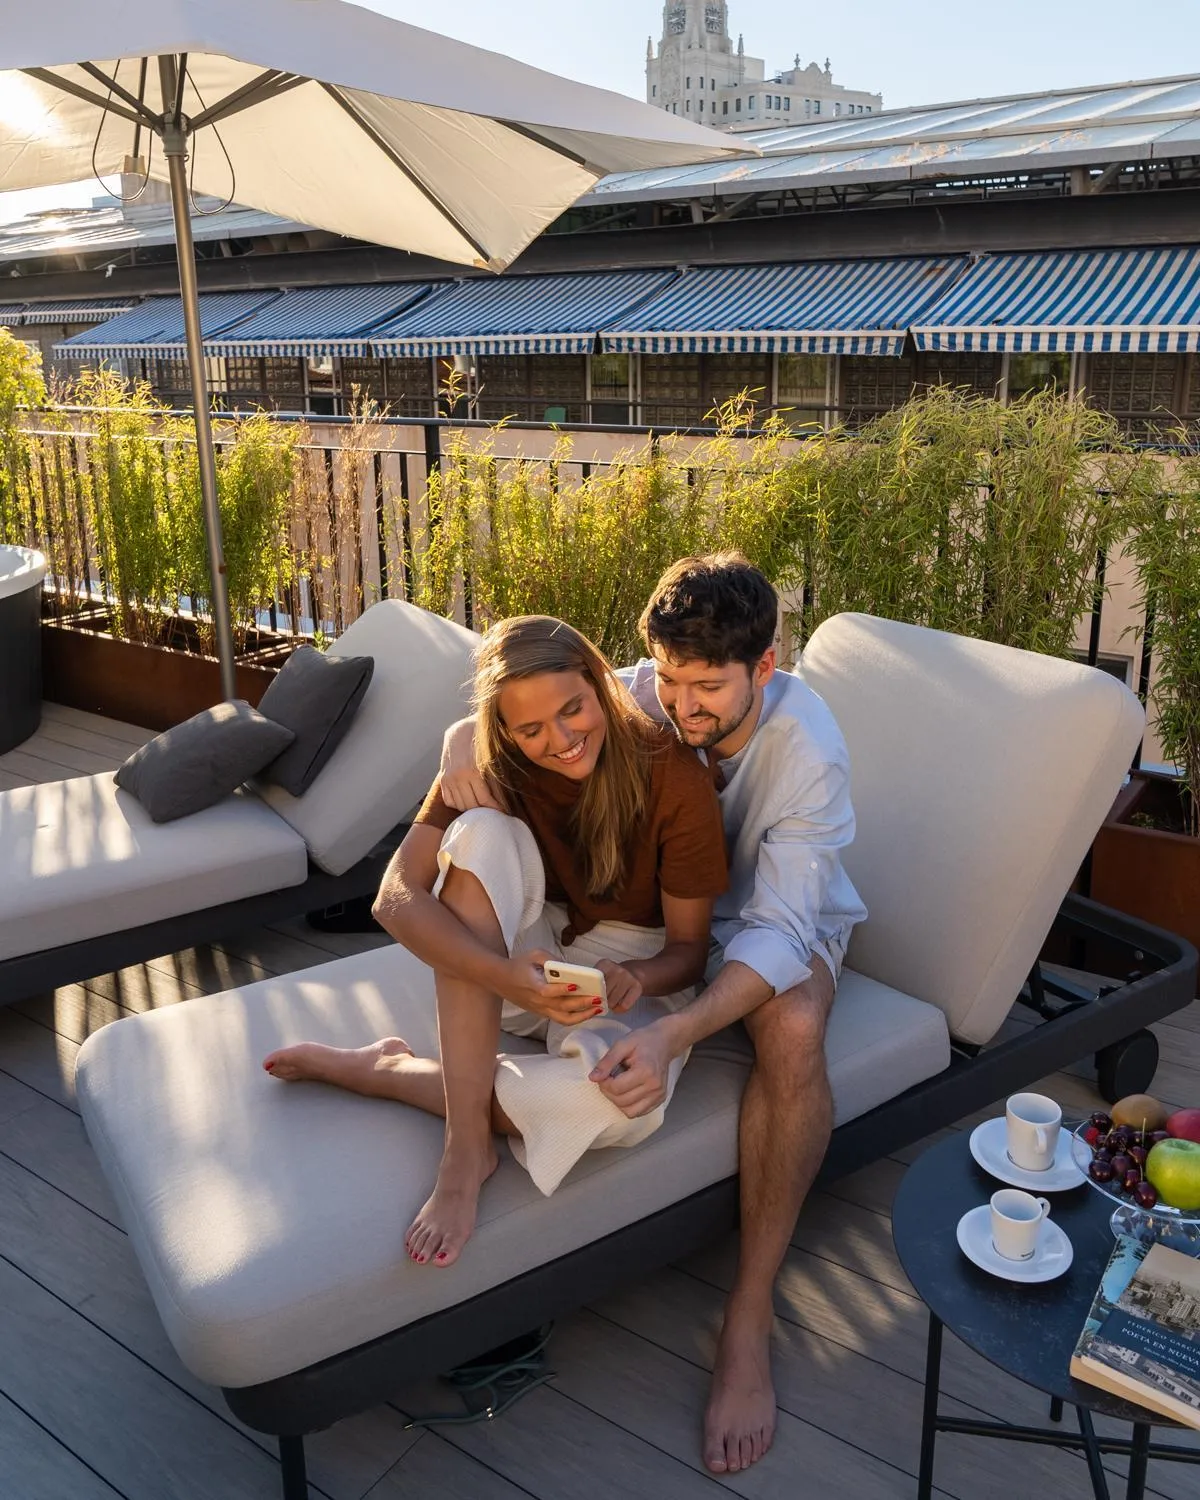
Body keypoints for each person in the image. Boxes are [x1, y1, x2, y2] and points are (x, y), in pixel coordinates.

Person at [437, 555, 867, 1477]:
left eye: (707, 686)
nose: (681, 705)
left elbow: (785, 928)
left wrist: (676, 1028)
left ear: (769, 664)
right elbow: (513, 704)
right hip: (659, 927)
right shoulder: (647, 696)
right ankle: (434, 1096)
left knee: (790, 1029)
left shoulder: (810, 752)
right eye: (667, 678)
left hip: (774, 924)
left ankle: (746, 1318)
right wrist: (451, 750)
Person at [263, 614, 727, 1272]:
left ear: (599, 684)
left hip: (631, 972)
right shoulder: (486, 761)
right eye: (531, 729)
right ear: (503, 728)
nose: (562, 740)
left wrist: (639, 978)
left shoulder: (672, 776)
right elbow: (395, 898)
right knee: (481, 832)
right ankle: (465, 1147)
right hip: (516, 959)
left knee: (616, 1107)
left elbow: (689, 950)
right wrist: (500, 974)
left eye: (573, 710)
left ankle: (389, 1073)